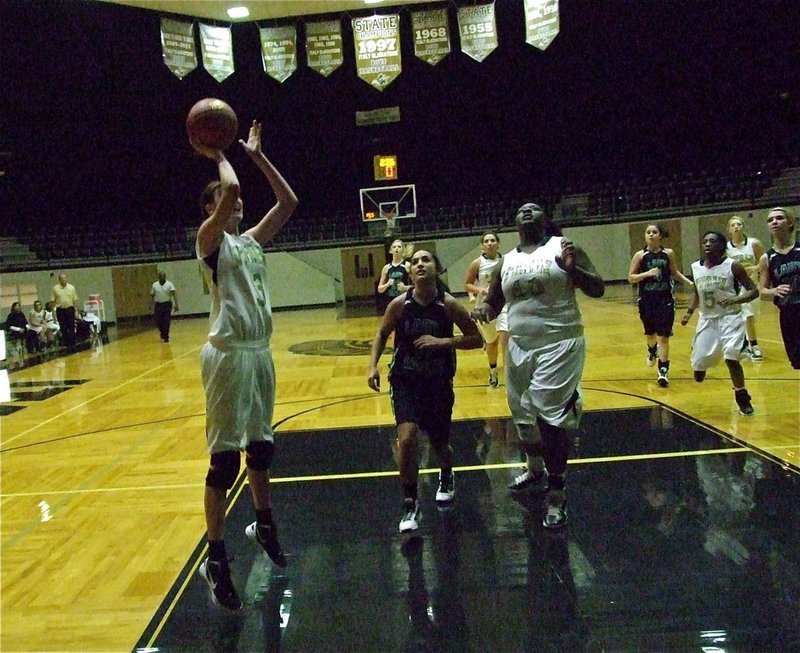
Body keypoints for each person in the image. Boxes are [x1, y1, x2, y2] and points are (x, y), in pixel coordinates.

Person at [192, 119, 299, 611]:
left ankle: (264, 522)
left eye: (236, 205)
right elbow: (232, 187)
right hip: (227, 356)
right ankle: (215, 558)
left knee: (261, 450)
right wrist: (216, 151)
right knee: (224, 461)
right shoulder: (209, 241)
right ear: (211, 210)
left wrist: (257, 154)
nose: (237, 204)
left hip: (259, 354)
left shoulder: (252, 241)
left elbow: (289, 203)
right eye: (225, 202)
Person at [472, 203, 605, 529]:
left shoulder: (563, 247)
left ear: (544, 219)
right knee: (523, 416)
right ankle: (534, 469)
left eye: (534, 209)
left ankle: (557, 491)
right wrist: (482, 309)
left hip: (559, 342)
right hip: (519, 346)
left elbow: (598, 288)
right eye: (521, 210)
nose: (527, 212)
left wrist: (573, 270)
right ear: (514, 222)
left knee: (547, 416)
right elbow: (494, 302)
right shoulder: (507, 261)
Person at [368, 249, 482, 533]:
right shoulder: (399, 304)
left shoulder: (449, 304)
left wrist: (442, 342)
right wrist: (373, 366)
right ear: (410, 272)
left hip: (438, 382)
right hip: (405, 381)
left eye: (426, 260)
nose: (419, 264)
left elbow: (476, 339)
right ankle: (410, 502)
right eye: (415, 262)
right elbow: (382, 334)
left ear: (437, 269)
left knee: (439, 443)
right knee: (407, 440)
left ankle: (446, 473)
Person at [680, 231, 759, 415]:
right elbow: (697, 293)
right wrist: (690, 312)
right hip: (707, 319)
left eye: (712, 241)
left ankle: (742, 397)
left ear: (722, 247)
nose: (707, 244)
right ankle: (701, 363)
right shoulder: (696, 267)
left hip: (730, 317)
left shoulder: (733, 267)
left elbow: (753, 291)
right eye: (705, 241)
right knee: (699, 368)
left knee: (731, 357)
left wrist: (734, 300)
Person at [627, 223, 693, 387]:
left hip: (665, 299)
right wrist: (647, 273)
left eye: (654, 232)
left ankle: (663, 371)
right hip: (647, 299)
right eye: (648, 232)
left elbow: (674, 272)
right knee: (650, 335)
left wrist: (690, 282)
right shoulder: (640, 255)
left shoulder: (667, 253)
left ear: (660, 236)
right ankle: (651, 351)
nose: (650, 235)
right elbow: (631, 278)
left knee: (663, 336)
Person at [758, 207, 800, 369]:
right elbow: (763, 291)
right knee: (797, 362)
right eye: (770, 220)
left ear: (790, 223)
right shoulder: (767, 258)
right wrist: (774, 291)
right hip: (788, 314)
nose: (774, 222)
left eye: (779, 218)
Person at [465, 231, 504, 387]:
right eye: (486, 241)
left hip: (504, 305)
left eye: (492, 240)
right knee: (492, 343)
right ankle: (493, 371)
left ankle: (512, 373)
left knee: (506, 337)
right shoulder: (477, 263)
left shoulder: (506, 261)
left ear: (498, 243)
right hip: (484, 308)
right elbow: (467, 284)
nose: (489, 243)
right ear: (482, 246)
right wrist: (479, 290)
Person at [726, 215, 766, 360]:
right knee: (747, 315)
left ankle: (744, 344)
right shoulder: (726, 247)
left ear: (743, 227)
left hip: (752, 286)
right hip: (737, 288)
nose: (736, 227)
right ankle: (754, 346)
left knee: (749, 317)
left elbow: (765, 263)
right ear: (729, 230)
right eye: (733, 225)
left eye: (739, 224)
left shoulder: (754, 244)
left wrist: (754, 268)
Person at [377, 239, 411, 305]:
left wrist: (405, 288)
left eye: (399, 247)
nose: (396, 249)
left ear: (403, 250)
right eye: (394, 247)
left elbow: (416, 286)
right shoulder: (386, 268)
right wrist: (387, 284)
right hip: (391, 301)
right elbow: (379, 289)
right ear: (390, 251)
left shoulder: (407, 265)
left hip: (404, 300)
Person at [150, 271, 179, 342]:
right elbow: (152, 295)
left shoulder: (169, 284)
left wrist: (176, 304)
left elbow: (174, 294)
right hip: (158, 304)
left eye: (163, 277)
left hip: (167, 304)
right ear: (158, 277)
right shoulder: (154, 285)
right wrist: (150, 305)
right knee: (158, 321)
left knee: (166, 320)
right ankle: (162, 332)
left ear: (165, 277)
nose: (162, 278)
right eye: (160, 277)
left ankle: (166, 336)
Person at [51, 273, 78, 348]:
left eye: (65, 278)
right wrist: (53, 312)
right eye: (62, 278)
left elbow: (74, 300)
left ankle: (73, 344)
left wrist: (76, 311)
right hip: (60, 310)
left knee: (71, 326)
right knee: (63, 327)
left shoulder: (72, 287)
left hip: (69, 309)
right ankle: (66, 343)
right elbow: (53, 301)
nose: (64, 280)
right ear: (59, 280)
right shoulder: (55, 288)